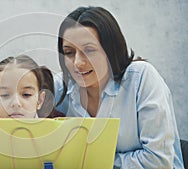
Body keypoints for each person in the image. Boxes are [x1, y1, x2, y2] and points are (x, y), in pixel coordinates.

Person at [54, 6, 184, 168]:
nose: (78, 63)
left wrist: (89, 161)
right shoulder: (61, 87)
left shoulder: (141, 78)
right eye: (69, 52)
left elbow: (158, 161)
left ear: (110, 50)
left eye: (89, 50)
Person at [0, 55, 64, 143]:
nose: (16, 103)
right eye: (5, 95)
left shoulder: (60, 129)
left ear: (40, 100)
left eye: (26, 94)